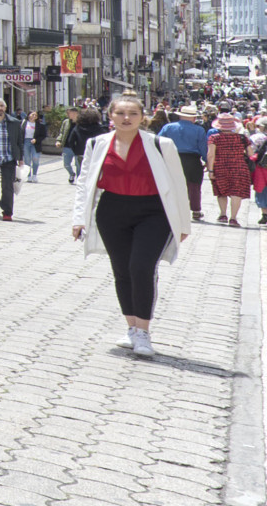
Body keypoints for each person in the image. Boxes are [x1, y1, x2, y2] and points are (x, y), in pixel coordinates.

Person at [70, 93, 194, 358]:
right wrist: (79, 218)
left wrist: (184, 223)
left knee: (142, 267)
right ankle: (131, 328)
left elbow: (178, 183)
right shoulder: (97, 144)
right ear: (110, 116)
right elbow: (84, 181)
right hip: (112, 211)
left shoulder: (161, 144)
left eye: (133, 114)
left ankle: (144, 332)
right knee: (122, 271)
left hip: (153, 212)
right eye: (120, 113)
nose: (126, 118)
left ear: (142, 117)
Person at [157, 105, 209, 222]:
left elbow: (158, 142)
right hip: (192, 160)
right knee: (194, 186)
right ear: (193, 118)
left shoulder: (168, 127)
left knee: (172, 184)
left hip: (172, 158)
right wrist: (207, 161)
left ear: (180, 116)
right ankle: (196, 210)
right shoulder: (199, 130)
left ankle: (171, 209)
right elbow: (203, 148)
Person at [206, 109, 253, 226]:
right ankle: (233, 218)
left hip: (220, 167)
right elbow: (251, 154)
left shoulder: (214, 138)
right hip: (239, 167)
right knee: (236, 192)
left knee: (221, 191)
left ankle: (223, 214)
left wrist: (210, 170)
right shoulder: (242, 138)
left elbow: (211, 155)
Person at [63, 105, 103, 183]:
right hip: (96, 153)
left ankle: (81, 183)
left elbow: (71, 141)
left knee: (82, 170)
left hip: (81, 152)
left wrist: (76, 151)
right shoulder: (101, 128)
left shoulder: (78, 127)